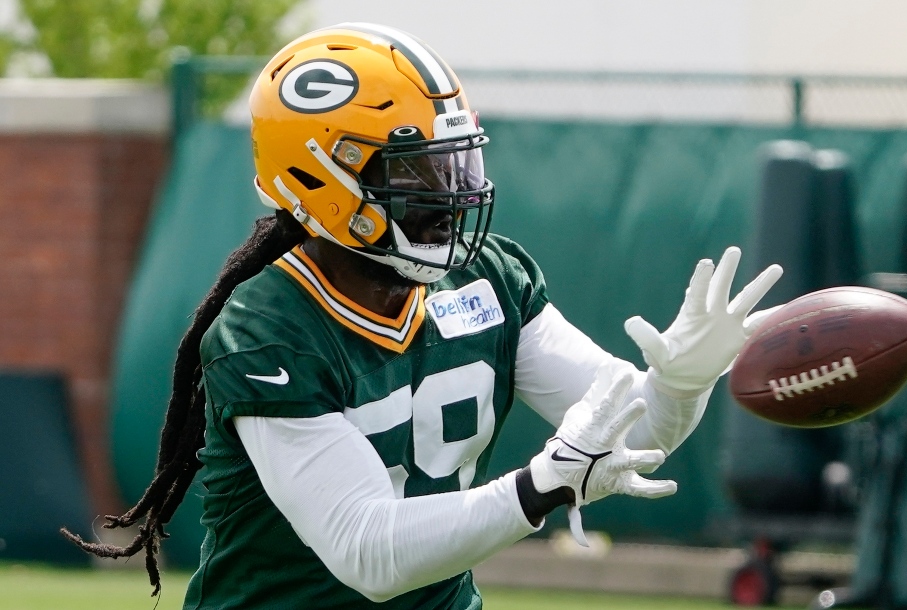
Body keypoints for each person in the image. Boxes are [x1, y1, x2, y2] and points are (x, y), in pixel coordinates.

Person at [62, 23, 783, 609]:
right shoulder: (268, 329)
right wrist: (542, 485)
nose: (452, 194)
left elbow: (630, 434)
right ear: (322, 179)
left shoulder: (488, 277)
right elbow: (368, 552)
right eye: (418, 173)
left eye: (457, 165)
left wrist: (681, 384)